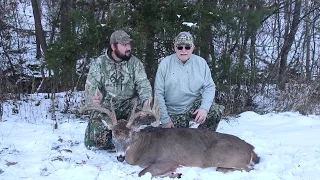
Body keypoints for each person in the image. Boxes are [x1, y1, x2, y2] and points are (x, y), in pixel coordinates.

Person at [84, 30, 152, 150]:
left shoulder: (135, 63)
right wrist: (94, 98)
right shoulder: (99, 64)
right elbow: (91, 87)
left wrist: (146, 103)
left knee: (150, 124)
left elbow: (143, 85)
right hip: (107, 106)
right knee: (94, 139)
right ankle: (117, 141)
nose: (128, 48)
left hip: (130, 105)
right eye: (124, 45)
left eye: (129, 44)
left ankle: (130, 140)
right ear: (113, 46)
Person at [154, 32, 224, 130]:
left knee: (215, 111)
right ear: (174, 47)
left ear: (193, 47)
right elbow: (158, 94)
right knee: (178, 141)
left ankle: (202, 139)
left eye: (187, 47)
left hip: (192, 105)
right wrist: (165, 119)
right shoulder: (165, 64)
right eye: (180, 47)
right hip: (174, 110)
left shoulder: (201, 63)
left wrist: (204, 108)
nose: (183, 50)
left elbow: (209, 87)